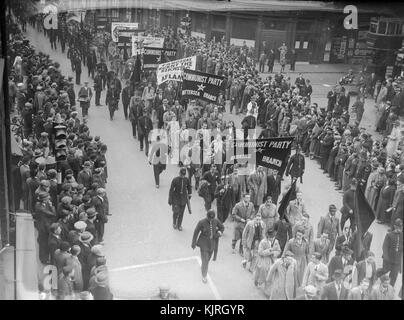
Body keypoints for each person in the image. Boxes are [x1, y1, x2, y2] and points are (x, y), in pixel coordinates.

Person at [191, 209, 224, 283]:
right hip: (204, 243)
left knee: (208, 258)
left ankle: (204, 266)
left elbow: (222, 227)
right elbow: (196, 232)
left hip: (212, 243)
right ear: (207, 216)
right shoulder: (201, 222)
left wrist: (218, 233)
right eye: (209, 218)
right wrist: (193, 243)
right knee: (205, 260)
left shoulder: (216, 221)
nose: (211, 220)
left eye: (212, 218)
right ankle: (204, 276)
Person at [382, 218, 403, 287]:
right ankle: (376, 276)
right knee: (384, 271)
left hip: (397, 261)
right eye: (397, 227)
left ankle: (390, 290)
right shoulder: (389, 235)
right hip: (388, 259)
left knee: (393, 277)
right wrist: (386, 258)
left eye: (401, 227)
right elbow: (384, 247)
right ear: (394, 226)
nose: (399, 229)